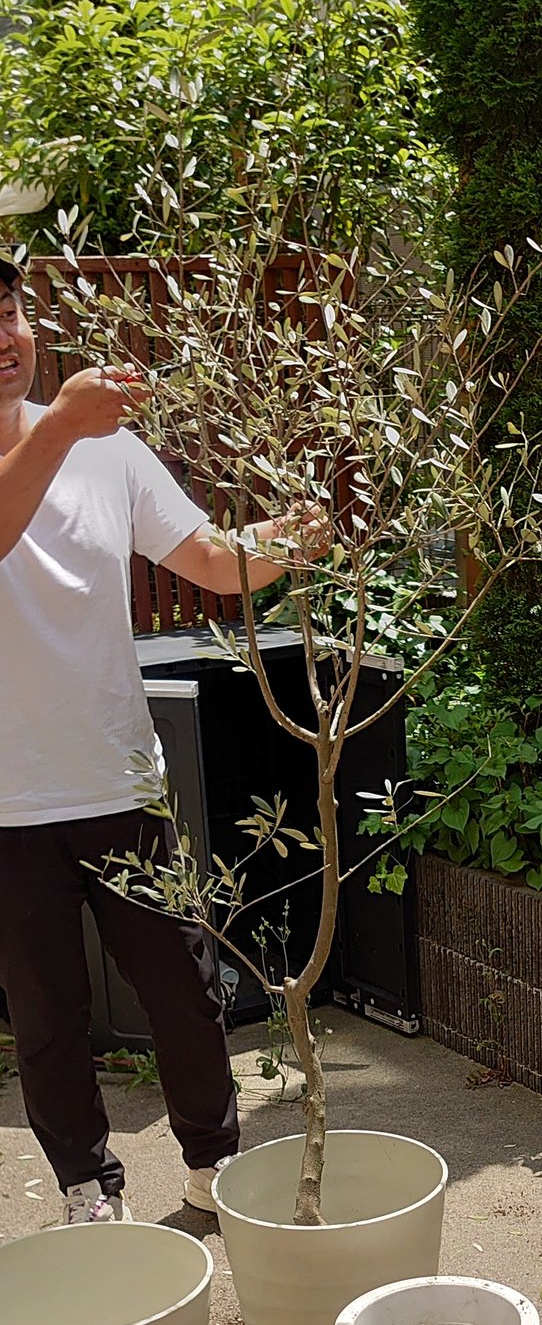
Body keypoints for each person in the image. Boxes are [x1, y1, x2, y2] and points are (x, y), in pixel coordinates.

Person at [0, 252, 327, 1224]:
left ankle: (210, 1166)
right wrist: (60, 425)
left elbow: (214, 564)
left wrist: (295, 535)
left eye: (6, 307)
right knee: (48, 1017)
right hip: (6, 803)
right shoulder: (73, 433)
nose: (1, 334)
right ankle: (87, 1191)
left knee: (186, 991)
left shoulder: (109, 453)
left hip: (119, 779)